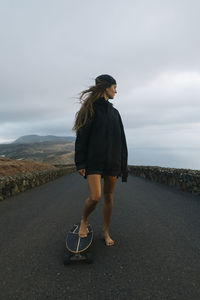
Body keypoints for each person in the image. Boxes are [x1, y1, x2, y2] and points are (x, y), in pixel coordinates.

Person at [72, 74, 128, 246]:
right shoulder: (89, 108)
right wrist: (80, 163)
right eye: (114, 87)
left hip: (112, 161)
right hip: (94, 161)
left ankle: (105, 232)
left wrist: (123, 166)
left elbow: (122, 140)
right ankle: (84, 220)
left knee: (109, 197)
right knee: (95, 197)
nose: (116, 91)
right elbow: (81, 137)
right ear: (106, 87)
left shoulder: (115, 113)